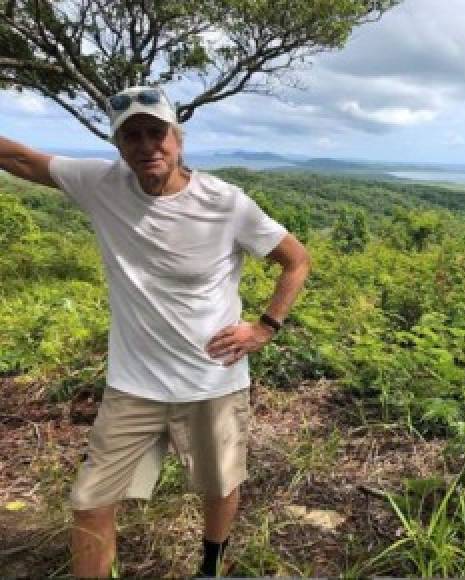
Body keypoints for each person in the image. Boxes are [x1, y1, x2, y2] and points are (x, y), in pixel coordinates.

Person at [0, 86, 312, 577]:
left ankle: (209, 567)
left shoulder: (226, 203)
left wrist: (265, 327)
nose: (147, 145)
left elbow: (295, 260)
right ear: (119, 146)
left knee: (219, 485)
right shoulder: (101, 183)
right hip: (134, 386)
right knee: (90, 503)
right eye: (132, 136)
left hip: (213, 380)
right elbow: (17, 158)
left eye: (156, 132)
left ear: (177, 138)